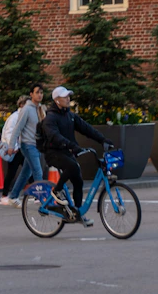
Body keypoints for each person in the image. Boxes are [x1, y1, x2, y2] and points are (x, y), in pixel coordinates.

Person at [38, 85, 108, 223]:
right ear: (57, 100)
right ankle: (57, 190)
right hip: (53, 152)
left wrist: (103, 139)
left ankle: (77, 213)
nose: (68, 98)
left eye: (68, 96)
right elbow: (55, 136)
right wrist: (71, 146)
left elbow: (86, 128)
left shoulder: (70, 116)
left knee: (78, 181)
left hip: (67, 151)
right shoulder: (50, 118)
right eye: (65, 97)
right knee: (73, 167)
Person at [0, 85, 45, 207]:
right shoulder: (27, 109)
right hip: (28, 145)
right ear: (31, 94)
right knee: (37, 170)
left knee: (26, 172)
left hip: (37, 145)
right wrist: (11, 146)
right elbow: (17, 129)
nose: (39, 95)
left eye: (41, 92)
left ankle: (13, 196)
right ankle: (42, 198)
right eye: (37, 92)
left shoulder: (40, 109)